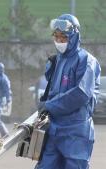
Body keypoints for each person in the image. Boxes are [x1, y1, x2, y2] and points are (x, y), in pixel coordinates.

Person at [36, 14, 101, 169]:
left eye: (63, 37)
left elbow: (81, 94)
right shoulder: (57, 60)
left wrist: (49, 106)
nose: (59, 41)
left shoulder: (86, 61)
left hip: (75, 132)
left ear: (74, 36)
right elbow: (52, 92)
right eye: (56, 37)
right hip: (54, 128)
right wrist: (44, 107)